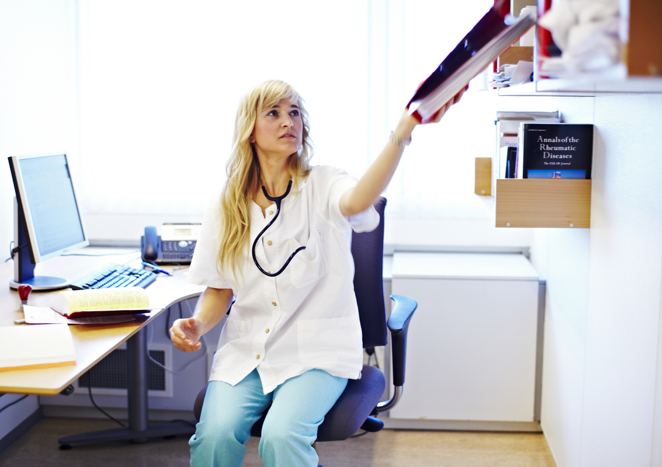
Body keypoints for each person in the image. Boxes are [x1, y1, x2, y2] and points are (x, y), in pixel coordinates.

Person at [170, 79, 463, 467]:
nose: (288, 121)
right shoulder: (228, 203)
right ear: (250, 133)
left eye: (294, 113)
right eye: (273, 113)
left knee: (282, 437)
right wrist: (197, 324)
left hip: (316, 352)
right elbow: (219, 290)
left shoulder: (323, 183)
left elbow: (358, 199)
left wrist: (403, 131)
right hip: (248, 351)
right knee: (213, 436)